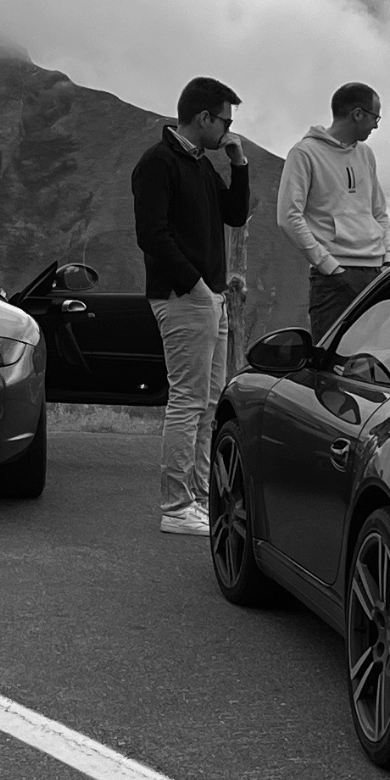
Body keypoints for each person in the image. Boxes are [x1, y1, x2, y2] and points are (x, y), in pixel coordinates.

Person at [133, 76, 251, 536]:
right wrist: (196, 286)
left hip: (209, 297)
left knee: (208, 402)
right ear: (203, 117)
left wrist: (238, 164)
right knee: (187, 400)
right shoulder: (159, 162)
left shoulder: (200, 163)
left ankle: (200, 497)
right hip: (184, 297)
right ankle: (176, 507)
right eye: (225, 122)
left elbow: (234, 214)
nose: (228, 130)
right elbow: (152, 234)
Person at [279, 82, 390, 334]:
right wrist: (328, 265)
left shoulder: (366, 154)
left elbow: (378, 212)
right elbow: (288, 216)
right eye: (375, 117)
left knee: (372, 353)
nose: (376, 125)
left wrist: (388, 258)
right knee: (331, 353)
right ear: (357, 114)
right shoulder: (304, 153)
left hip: (375, 273)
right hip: (334, 279)